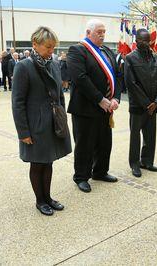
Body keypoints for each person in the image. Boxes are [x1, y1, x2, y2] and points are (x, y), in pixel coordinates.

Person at [12, 26, 71, 216]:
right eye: (48, 47)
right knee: (37, 163)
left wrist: (61, 114)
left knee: (49, 162)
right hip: (35, 124)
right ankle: (40, 200)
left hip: (52, 122)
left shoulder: (53, 64)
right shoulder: (23, 66)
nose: (51, 51)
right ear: (35, 44)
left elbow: (59, 94)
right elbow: (17, 103)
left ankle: (48, 197)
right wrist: (24, 133)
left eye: (53, 47)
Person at [67, 19, 121, 193]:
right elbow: (80, 78)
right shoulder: (77, 50)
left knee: (105, 142)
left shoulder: (106, 51)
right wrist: (100, 99)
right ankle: (81, 176)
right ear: (88, 33)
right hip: (85, 108)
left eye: (104, 31)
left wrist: (115, 98)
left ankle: (100, 171)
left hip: (106, 108)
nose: (102, 35)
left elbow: (116, 76)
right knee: (85, 144)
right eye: (99, 32)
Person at [124, 28, 157, 178]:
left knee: (150, 135)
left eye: (148, 41)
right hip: (138, 106)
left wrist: (156, 102)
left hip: (153, 105)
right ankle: (135, 164)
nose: (145, 43)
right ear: (136, 41)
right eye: (142, 41)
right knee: (135, 136)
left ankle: (147, 161)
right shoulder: (130, 58)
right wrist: (146, 103)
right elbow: (131, 83)